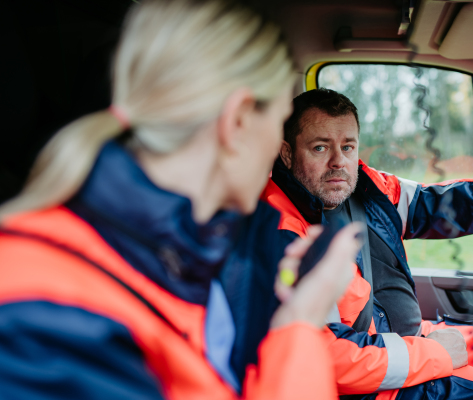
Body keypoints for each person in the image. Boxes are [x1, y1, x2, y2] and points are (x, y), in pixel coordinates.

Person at [0, 3, 362, 399]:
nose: (276, 151)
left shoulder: (199, 256)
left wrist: (292, 310)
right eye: (276, 123)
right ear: (237, 121)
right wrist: (302, 327)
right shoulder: (44, 315)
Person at [261, 88, 473, 400]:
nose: (339, 161)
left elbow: (446, 203)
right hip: (362, 381)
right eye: (320, 147)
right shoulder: (279, 235)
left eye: (347, 146)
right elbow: (329, 356)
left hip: (405, 340)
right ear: (287, 153)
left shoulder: (366, 189)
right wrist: (434, 355)